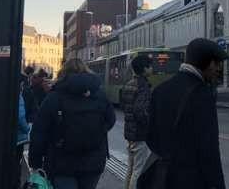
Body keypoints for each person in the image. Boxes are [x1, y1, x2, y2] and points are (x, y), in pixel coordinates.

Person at [140, 38, 227, 189]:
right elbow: (209, 150)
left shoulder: (160, 90)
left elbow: (150, 137)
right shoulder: (202, 94)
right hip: (192, 180)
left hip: (164, 179)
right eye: (216, 63)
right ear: (205, 62)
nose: (218, 68)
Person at [28, 58, 116, 189]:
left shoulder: (54, 97)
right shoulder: (100, 95)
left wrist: (35, 162)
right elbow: (111, 120)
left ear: (63, 73)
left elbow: (39, 131)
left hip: (61, 162)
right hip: (93, 161)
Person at [122, 54, 154, 189]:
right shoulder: (143, 86)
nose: (152, 69)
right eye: (150, 66)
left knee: (130, 169)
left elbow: (126, 108)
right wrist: (150, 122)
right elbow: (140, 111)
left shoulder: (129, 84)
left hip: (129, 133)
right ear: (144, 69)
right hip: (140, 134)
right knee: (138, 171)